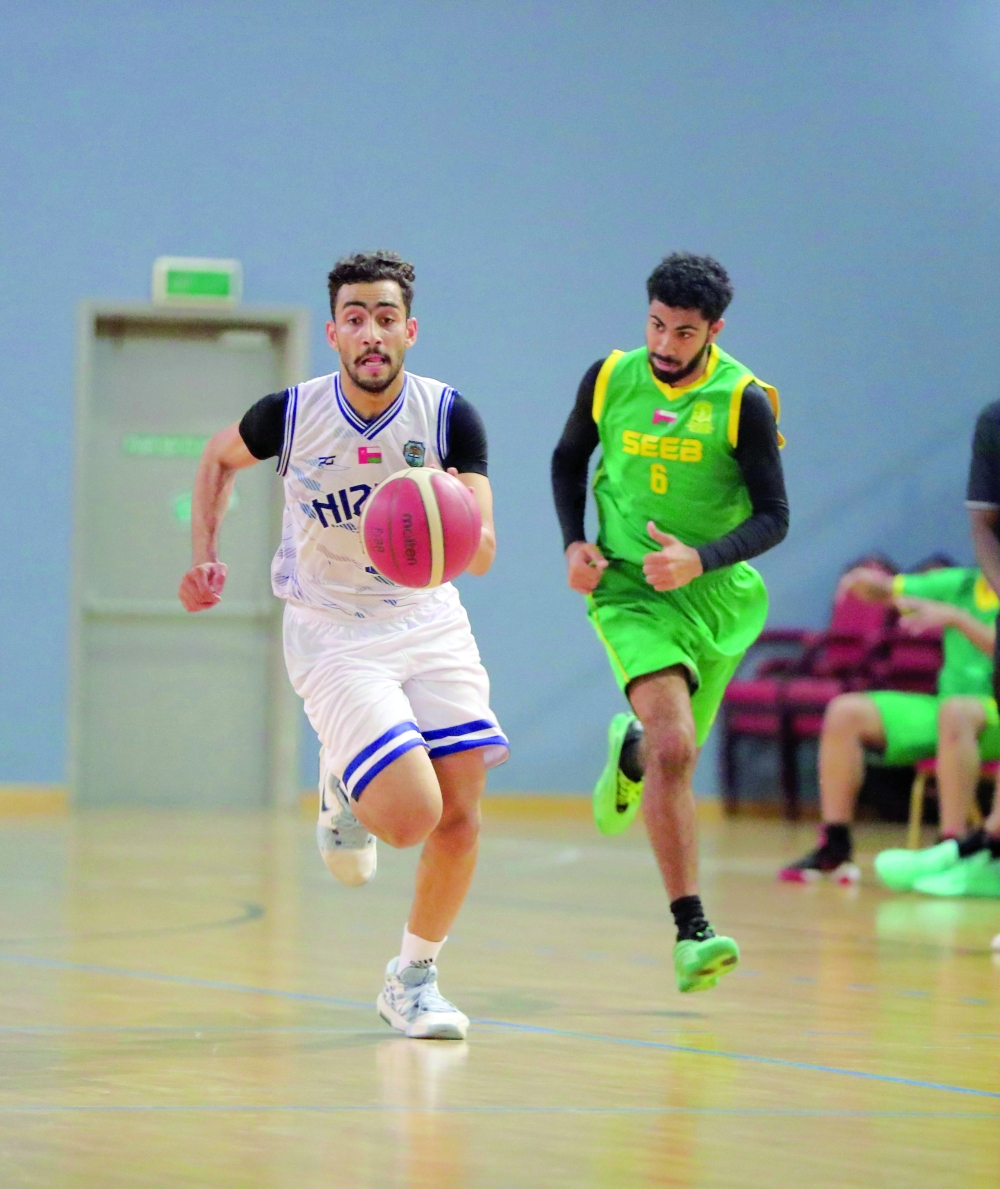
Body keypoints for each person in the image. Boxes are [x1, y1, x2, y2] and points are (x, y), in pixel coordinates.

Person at [179, 251, 508, 1040]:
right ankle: (347, 778)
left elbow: (487, 546)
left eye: (386, 317)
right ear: (333, 332)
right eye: (355, 317)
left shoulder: (449, 416)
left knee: (461, 815)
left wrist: (451, 521)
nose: (371, 332)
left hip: (426, 617)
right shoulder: (291, 414)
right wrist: (202, 553)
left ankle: (413, 979)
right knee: (409, 819)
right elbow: (216, 458)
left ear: (410, 330)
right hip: (333, 629)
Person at [551, 252, 789, 992]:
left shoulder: (743, 399)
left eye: (683, 333)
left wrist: (702, 557)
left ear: (713, 330)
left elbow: (776, 517)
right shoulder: (609, 377)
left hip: (714, 599)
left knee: (663, 753)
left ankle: (630, 758)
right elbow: (567, 458)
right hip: (629, 590)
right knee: (678, 746)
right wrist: (574, 540)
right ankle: (693, 929)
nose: (664, 343)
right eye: (655, 323)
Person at [779, 564, 1000, 895]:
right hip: (948, 707)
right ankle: (835, 845)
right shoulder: (962, 583)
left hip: (989, 710)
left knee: (956, 713)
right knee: (846, 711)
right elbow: (891, 589)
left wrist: (957, 619)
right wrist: (866, 583)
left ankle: (951, 845)